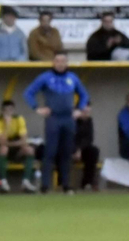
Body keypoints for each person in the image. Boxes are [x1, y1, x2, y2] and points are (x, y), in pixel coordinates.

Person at [25, 53, 89, 194]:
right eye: (57, 61)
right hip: (53, 118)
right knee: (50, 151)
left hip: (68, 119)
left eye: (63, 61)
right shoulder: (45, 77)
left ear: (67, 63)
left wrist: (79, 109)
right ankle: (45, 185)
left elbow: (84, 94)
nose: (60, 64)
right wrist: (37, 108)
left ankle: (65, 184)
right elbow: (29, 92)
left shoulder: (72, 78)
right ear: (53, 62)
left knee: (67, 152)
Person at [0, 99, 39, 193]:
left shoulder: (19, 119)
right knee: (3, 149)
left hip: (13, 144)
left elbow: (24, 140)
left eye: (11, 110)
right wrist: (7, 125)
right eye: (6, 110)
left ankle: (26, 182)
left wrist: (12, 144)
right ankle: (3, 182)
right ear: (2, 111)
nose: (9, 113)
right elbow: (1, 141)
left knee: (29, 150)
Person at [73, 106, 101, 191]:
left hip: (81, 150)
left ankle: (87, 182)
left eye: (88, 112)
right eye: (84, 112)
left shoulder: (89, 121)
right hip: (68, 148)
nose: (86, 114)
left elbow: (89, 139)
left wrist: (79, 149)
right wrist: (75, 149)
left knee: (93, 151)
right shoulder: (71, 121)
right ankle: (63, 183)